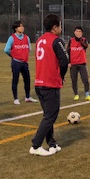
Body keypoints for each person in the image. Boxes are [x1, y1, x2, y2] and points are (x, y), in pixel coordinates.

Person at [29, 14, 69, 156]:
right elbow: (64, 60)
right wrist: (61, 76)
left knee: (48, 115)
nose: (61, 29)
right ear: (54, 27)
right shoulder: (57, 41)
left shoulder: (40, 40)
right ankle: (35, 146)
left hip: (39, 82)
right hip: (50, 83)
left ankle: (52, 143)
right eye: (60, 26)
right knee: (51, 116)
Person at [4, 21, 37, 104]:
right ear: (16, 28)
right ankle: (15, 98)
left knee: (27, 80)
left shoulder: (26, 37)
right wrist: (13, 56)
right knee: (15, 80)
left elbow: (29, 48)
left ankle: (27, 97)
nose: (22, 28)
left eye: (22, 26)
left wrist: (24, 55)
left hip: (24, 62)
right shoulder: (12, 38)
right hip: (16, 62)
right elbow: (6, 50)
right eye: (20, 26)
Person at [68, 26, 90, 101]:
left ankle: (87, 95)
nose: (78, 33)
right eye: (77, 31)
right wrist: (69, 62)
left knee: (85, 79)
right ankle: (76, 94)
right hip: (73, 64)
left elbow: (86, 46)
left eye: (80, 31)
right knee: (74, 80)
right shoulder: (71, 41)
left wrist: (80, 40)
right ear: (74, 32)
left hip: (82, 63)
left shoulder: (84, 40)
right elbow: (68, 51)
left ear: (82, 33)